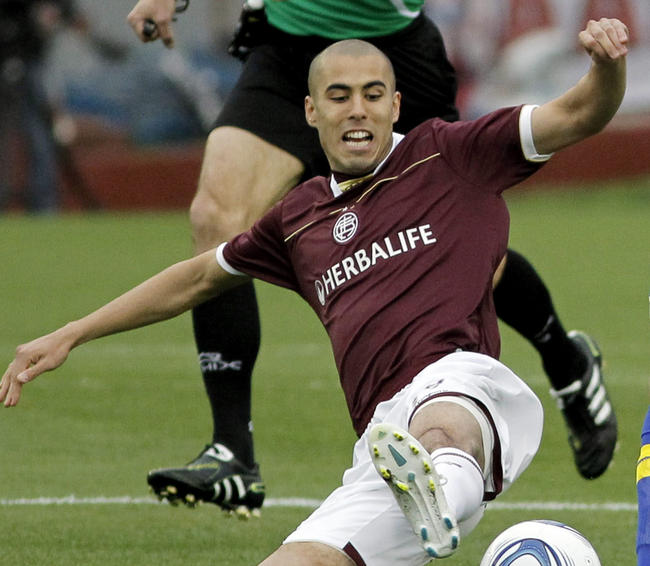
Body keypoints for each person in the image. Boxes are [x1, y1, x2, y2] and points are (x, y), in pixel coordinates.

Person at [0, 17, 629, 565]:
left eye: (372, 95)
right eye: (339, 96)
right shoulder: (296, 219)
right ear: (310, 112)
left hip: (462, 387)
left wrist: (607, 67)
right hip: (383, 448)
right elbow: (195, 278)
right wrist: (71, 334)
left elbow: (577, 114)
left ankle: (441, 489)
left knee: (441, 430)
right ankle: (426, 496)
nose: (357, 110)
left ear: (395, 105)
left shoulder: (449, 153)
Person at [125, 0, 617, 516]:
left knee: (456, 253)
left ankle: (566, 360)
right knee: (216, 218)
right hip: (286, 48)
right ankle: (232, 451)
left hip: (391, 50)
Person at [0, 0, 81, 213]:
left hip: (31, 61)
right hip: (10, 58)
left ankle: (43, 204)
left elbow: (65, 11)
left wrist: (56, 13)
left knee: (40, 135)